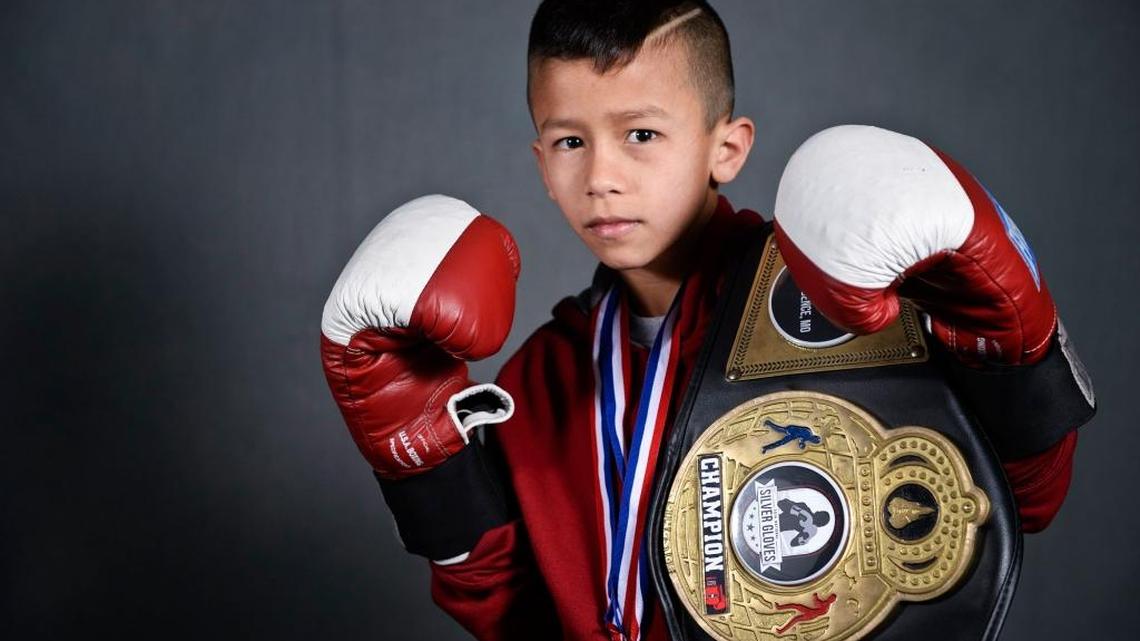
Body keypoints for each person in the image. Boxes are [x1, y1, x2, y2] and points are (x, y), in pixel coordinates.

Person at [319, 2, 1088, 640]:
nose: (602, 177)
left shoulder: (828, 307)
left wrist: (1011, 335)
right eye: (569, 142)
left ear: (727, 148)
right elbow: (507, 612)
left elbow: (1020, 502)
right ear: (540, 165)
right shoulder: (546, 375)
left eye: (641, 135)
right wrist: (424, 465)